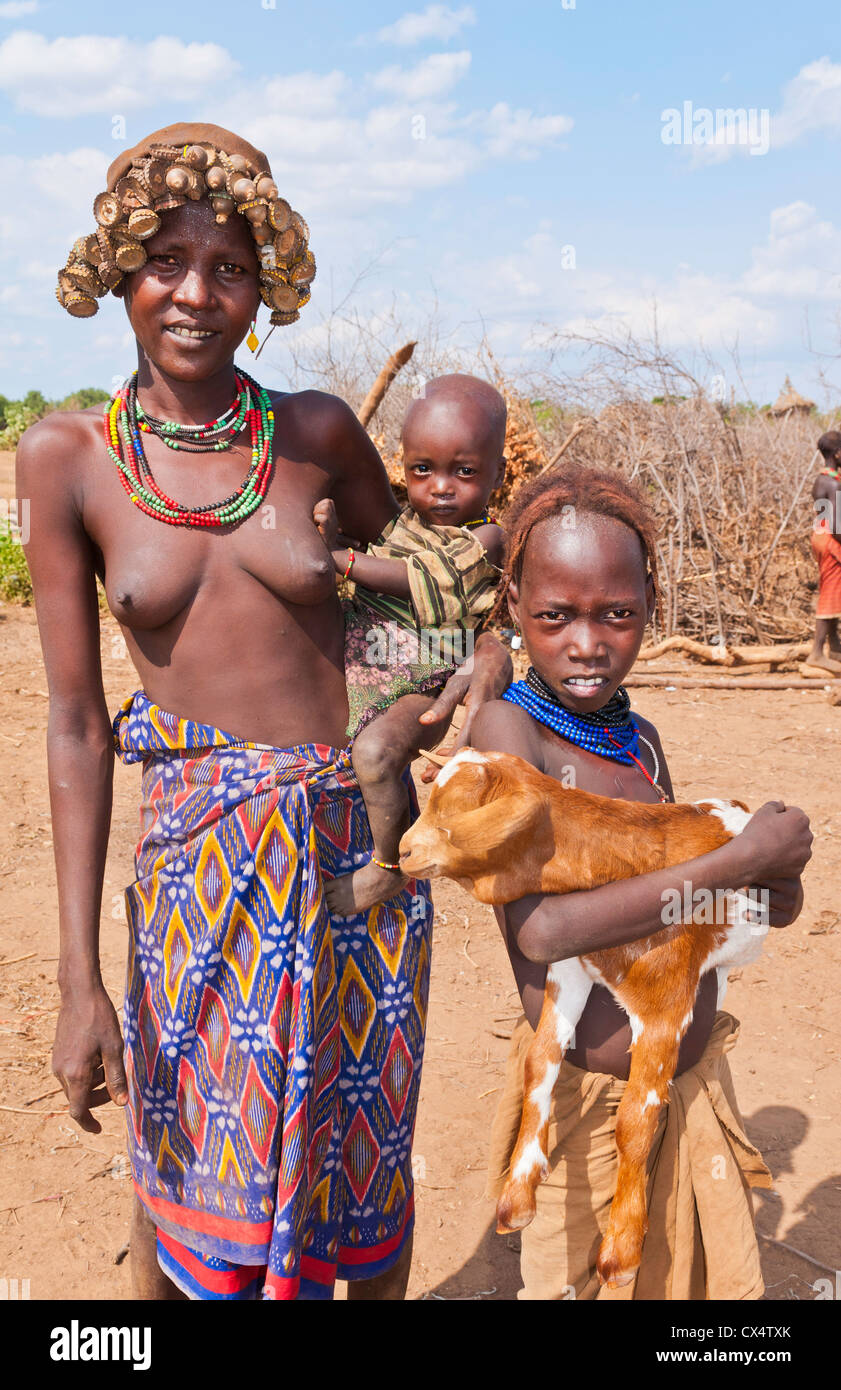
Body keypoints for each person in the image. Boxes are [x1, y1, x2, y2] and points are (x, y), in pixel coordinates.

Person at [17, 122, 511, 1301]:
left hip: (354, 855)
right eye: (164, 260)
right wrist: (80, 977)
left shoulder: (317, 434)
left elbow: (431, 590)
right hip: (195, 871)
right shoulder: (65, 458)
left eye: (230, 267)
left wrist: (485, 654)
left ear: (267, 284)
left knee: (359, 1168)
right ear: (117, 270)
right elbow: (78, 724)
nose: (195, 294)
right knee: (191, 1182)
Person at [466, 466, 812, 1300]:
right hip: (584, 1102)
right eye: (554, 616)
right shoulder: (510, 737)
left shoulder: (640, 741)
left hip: (679, 1085)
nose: (587, 642)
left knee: (676, 1286)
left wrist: (768, 885)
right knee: (581, 1280)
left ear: (649, 603)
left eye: (615, 614)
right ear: (513, 603)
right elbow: (542, 932)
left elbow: (681, 909)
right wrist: (729, 864)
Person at [313, 373, 506, 916]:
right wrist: (332, 538)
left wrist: (341, 560)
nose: (440, 487)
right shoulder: (402, 523)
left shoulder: (486, 538)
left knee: (374, 756)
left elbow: (417, 576)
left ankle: (388, 866)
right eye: (423, 470)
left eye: (463, 472)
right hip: (364, 658)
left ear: (499, 473)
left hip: (424, 676)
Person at [808, 431, 841, 673]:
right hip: (831, 540)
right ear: (837, 454)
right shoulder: (834, 483)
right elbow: (838, 526)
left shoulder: (821, 479)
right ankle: (817, 652)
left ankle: (835, 648)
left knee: (831, 590)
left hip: (819, 536)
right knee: (831, 593)